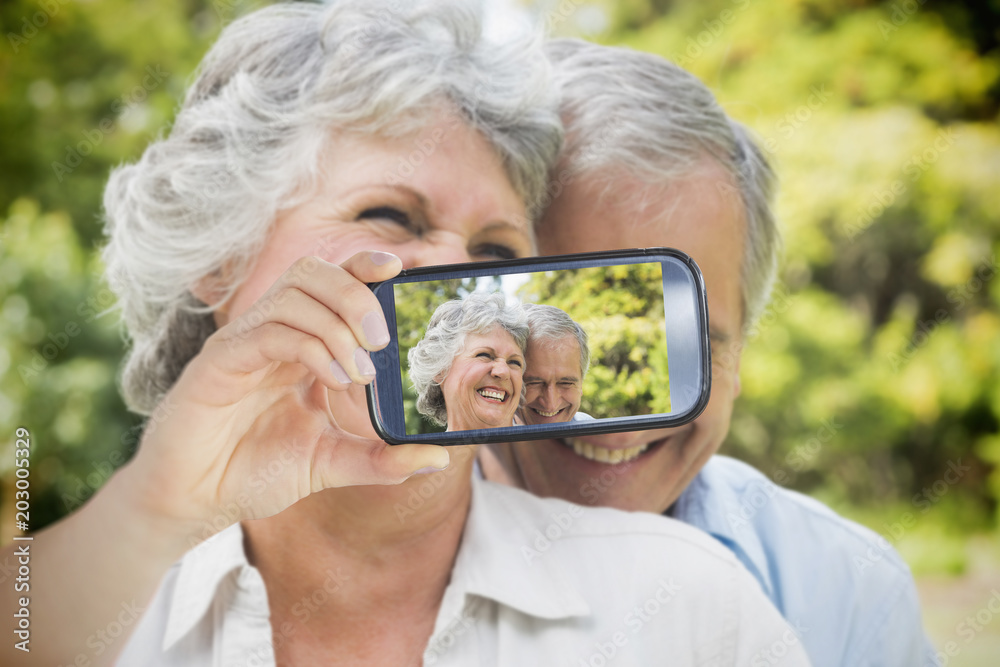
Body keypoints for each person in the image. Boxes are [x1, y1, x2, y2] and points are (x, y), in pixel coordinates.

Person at [0, 5, 812, 667]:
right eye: (390, 216)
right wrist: (156, 507)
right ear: (221, 258)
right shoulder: (96, 599)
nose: (457, 274)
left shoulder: (686, 604)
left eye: (496, 252)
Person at [481, 38, 934, 666]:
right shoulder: (370, 577)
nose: (614, 424)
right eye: (568, 332)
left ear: (742, 351)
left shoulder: (850, 595)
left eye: (688, 346)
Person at [409, 293, 526, 431]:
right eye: (485, 355)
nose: (503, 371)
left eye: (514, 362)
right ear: (440, 370)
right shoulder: (424, 452)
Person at [517, 303, 594, 425]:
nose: (551, 404)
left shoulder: (596, 435)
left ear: (581, 385)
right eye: (534, 383)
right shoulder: (485, 440)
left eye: (566, 383)